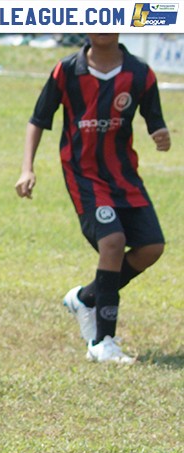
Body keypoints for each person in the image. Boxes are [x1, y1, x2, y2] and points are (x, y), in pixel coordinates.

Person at [15, 33, 171, 364]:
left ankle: (86, 297)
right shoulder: (67, 70)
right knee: (113, 242)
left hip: (125, 177)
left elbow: (155, 121)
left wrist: (161, 135)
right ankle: (103, 341)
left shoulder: (140, 73)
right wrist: (27, 169)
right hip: (83, 175)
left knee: (152, 247)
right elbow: (38, 120)